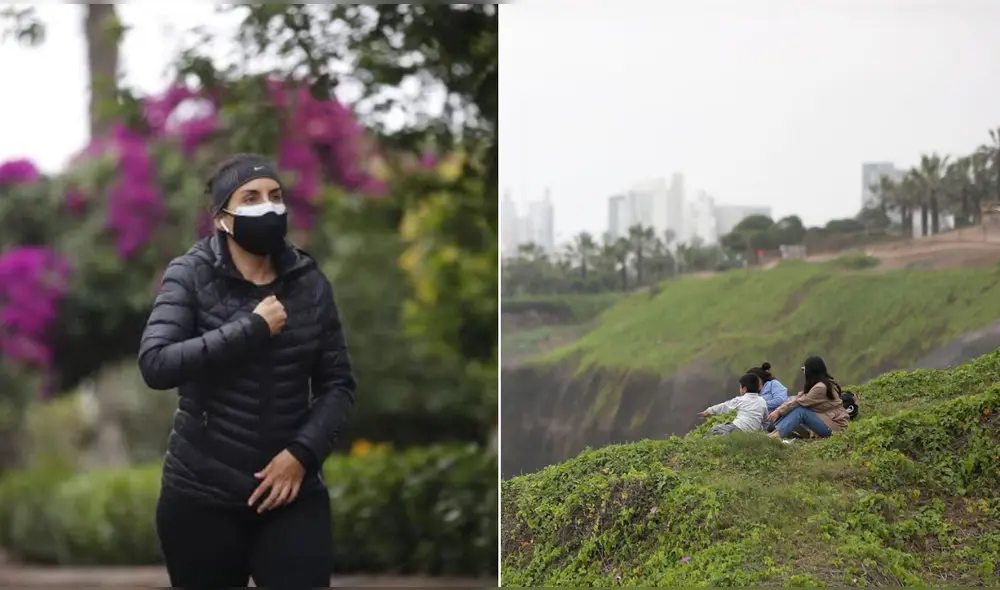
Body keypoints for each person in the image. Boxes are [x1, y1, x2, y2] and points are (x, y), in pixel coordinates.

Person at [138, 153, 356, 588]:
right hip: (201, 496)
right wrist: (251, 329)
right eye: (251, 198)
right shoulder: (190, 275)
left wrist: (302, 454)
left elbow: (338, 385)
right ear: (223, 219)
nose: (268, 206)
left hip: (291, 495)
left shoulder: (309, 283)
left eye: (275, 195)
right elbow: (156, 363)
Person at [767, 356, 849, 440]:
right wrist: (778, 411)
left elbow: (798, 402)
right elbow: (797, 398)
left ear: (810, 371)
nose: (803, 372)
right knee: (796, 409)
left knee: (801, 411)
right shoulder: (819, 384)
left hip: (836, 428)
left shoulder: (820, 388)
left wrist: (778, 411)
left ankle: (775, 436)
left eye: (804, 369)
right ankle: (775, 431)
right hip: (828, 421)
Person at [699, 373, 768, 436]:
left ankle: (729, 436)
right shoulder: (762, 401)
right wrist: (761, 429)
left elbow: (724, 406)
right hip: (753, 431)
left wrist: (709, 411)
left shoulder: (740, 400)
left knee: (715, 429)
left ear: (744, 389)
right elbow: (765, 420)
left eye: (740, 387)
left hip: (738, 427)